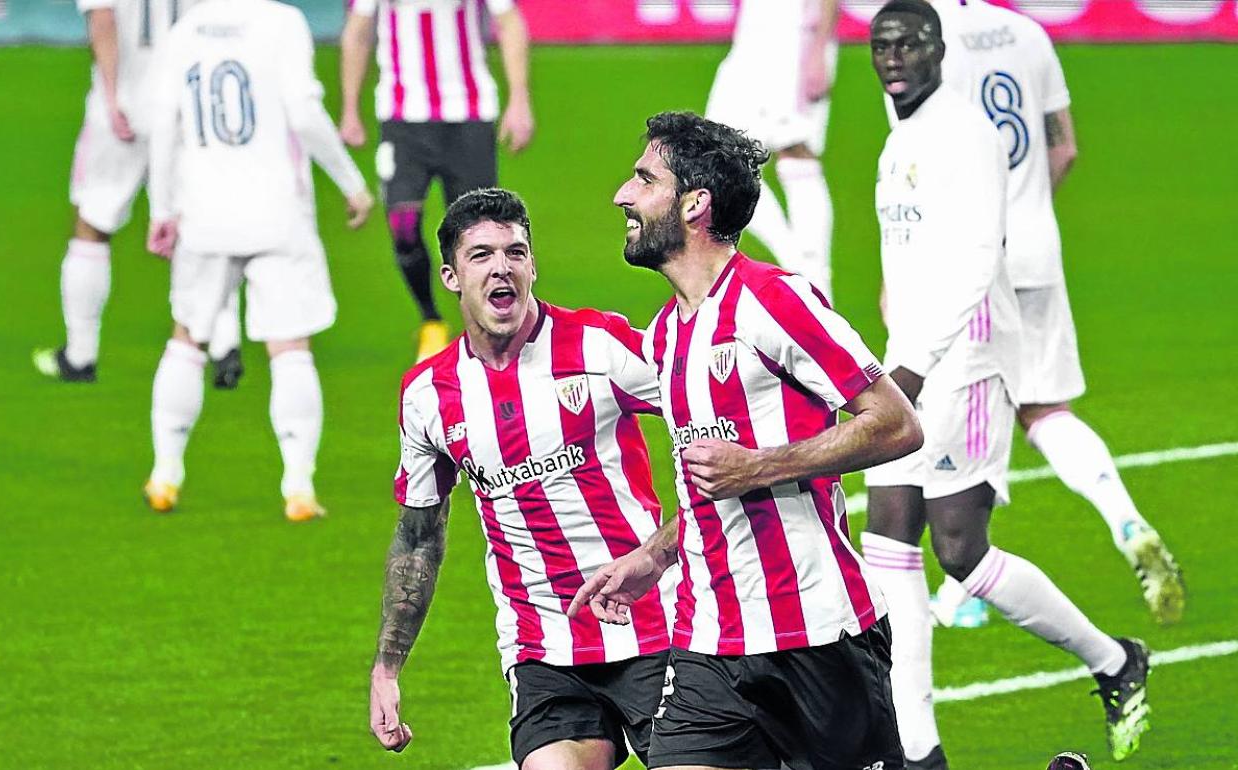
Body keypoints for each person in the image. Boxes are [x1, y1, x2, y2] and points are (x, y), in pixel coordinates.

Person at [571, 111, 923, 770]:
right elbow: (709, 484)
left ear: (695, 204)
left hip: (818, 632)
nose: (623, 194)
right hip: (710, 643)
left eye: (644, 180)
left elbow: (896, 422)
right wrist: (654, 555)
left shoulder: (775, 301)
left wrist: (761, 465)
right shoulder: (666, 335)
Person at [861, 3, 1150, 766]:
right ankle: (917, 750)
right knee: (888, 536)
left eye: (910, 43)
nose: (894, 57)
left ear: (938, 49)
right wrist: (897, 341)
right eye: (881, 44)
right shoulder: (903, 136)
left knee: (960, 551)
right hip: (911, 360)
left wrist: (917, 365)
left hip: (969, 359)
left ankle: (1115, 661)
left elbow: (976, 255)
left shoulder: (964, 133)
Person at [369, 189, 676, 770]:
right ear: (452, 276)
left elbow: (709, 421)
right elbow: (418, 536)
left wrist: (668, 545)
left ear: (533, 264)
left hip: (658, 628)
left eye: (515, 252)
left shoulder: (598, 346)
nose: (501, 267)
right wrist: (388, 666)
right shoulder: (429, 396)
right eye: (481, 255)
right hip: (543, 649)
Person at [922, 0, 1184, 629]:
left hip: (968, 259)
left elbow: (926, 168)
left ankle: (968, 585)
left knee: (960, 415)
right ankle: (1126, 519)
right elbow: (1063, 149)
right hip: (1036, 245)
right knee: (1042, 408)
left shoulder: (919, 36)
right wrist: (1027, 210)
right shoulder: (1027, 32)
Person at [143, 0, 374, 521]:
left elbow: (164, 124)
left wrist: (161, 207)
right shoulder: (281, 23)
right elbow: (304, 113)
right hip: (277, 210)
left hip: (202, 210)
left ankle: (165, 472)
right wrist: (351, 182)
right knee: (289, 345)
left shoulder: (186, 30)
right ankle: (298, 485)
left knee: (187, 338)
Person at [33, 0, 246, 389]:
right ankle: (222, 339)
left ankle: (81, 354)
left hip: (127, 104)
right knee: (203, 227)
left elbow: (102, 17)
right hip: (192, 107)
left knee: (93, 224)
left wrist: (114, 97)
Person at [339, 0, 535, 362]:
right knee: (403, 225)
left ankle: (490, 324)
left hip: (469, 116)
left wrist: (519, 99)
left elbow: (509, 22)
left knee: (480, 232)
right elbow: (358, 31)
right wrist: (350, 108)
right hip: (402, 120)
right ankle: (431, 319)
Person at [705, 0, 839, 299]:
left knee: (795, 151)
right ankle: (802, 272)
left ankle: (813, 279)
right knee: (719, 158)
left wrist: (818, 48)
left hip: (794, 37)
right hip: (754, 34)